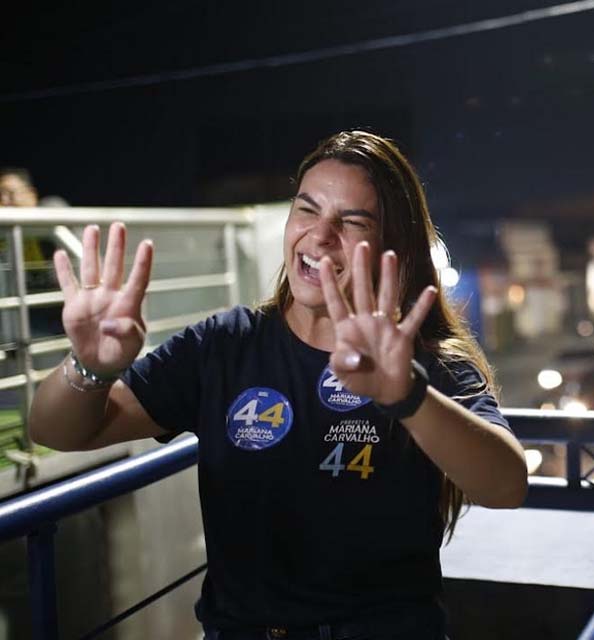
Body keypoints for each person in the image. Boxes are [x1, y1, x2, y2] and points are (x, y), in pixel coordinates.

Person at [28, 131, 528, 639]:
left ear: (392, 245)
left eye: (352, 221)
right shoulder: (225, 345)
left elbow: (506, 486)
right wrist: (90, 366)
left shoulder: (420, 357)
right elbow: (56, 431)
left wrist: (409, 397)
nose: (320, 235)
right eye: (307, 210)